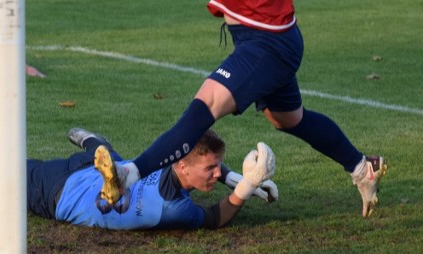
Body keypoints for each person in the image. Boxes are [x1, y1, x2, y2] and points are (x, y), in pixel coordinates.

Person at [93, 0, 387, 218]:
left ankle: (127, 175)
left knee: (204, 106)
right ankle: (363, 169)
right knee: (287, 119)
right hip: (269, 38)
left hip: (267, 44)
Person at [0, 69, 278, 230]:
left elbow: (200, 158)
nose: (216, 173)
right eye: (211, 169)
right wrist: (244, 188)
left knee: (118, 163)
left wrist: (237, 178)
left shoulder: (170, 161)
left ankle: (93, 143)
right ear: (182, 168)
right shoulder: (175, 209)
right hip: (57, 190)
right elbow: (214, 218)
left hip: (78, 178)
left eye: (218, 168)